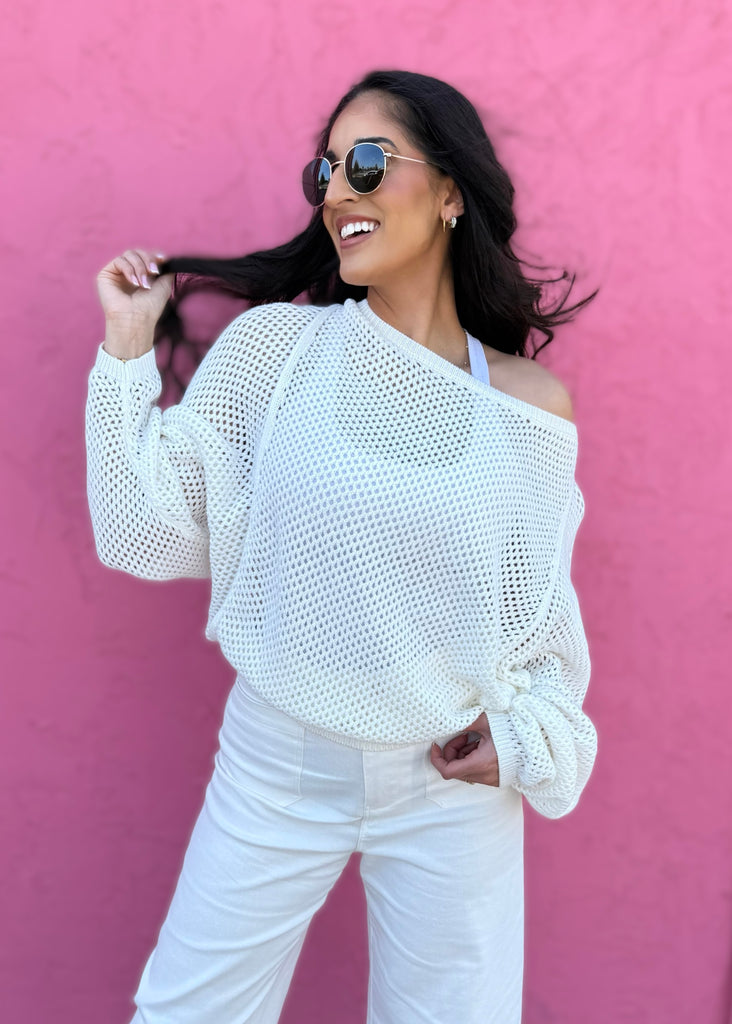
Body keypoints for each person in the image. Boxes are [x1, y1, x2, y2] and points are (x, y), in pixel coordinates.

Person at [87, 69, 597, 1024]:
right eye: (324, 171)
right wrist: (125, 347)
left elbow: (536, 623)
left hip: (447, 779)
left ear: (450, 193)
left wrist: (524, 739)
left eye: (367, 162)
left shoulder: (528, 409)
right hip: (276, 760)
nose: (337, 192)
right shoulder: (274, 353)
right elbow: (138, 530)